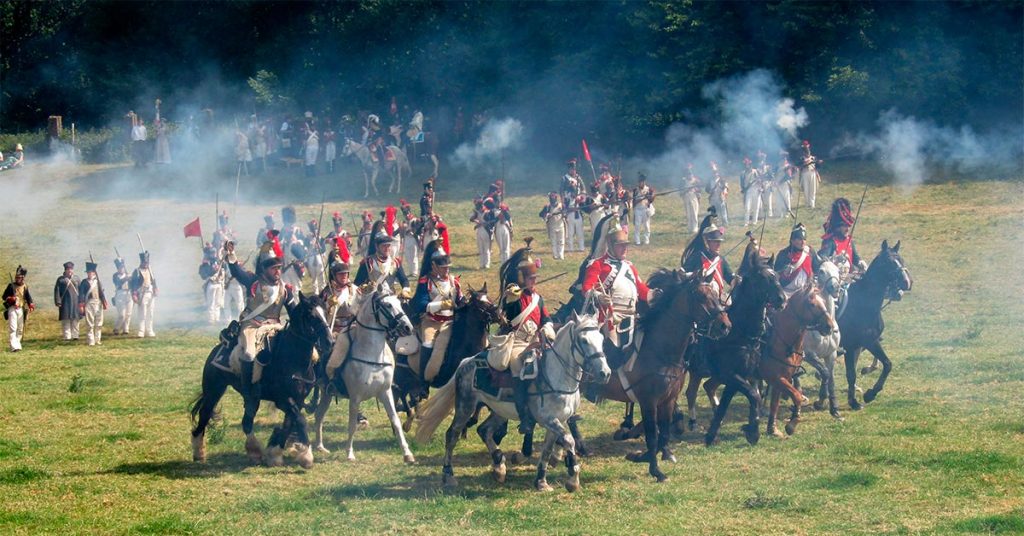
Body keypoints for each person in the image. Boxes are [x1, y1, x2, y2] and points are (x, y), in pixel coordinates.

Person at [223, 233, 297, 398]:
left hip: (275, 326)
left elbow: (294, 313)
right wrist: (231, 254)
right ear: (264, 269)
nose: (277, 271)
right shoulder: (253, 281)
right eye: (273, 268)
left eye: (278, 268)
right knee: (249, 354)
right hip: (252, 325)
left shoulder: (286, 289)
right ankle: (248, 390)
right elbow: (237, 271)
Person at [498, 240, 556, 433]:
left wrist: (547, 327)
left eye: (534, 278)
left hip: (535, 341)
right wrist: (512, 296)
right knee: (517, 364)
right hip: (517, 342)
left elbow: (546, 318)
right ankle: (524, 415)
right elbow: (507, 314)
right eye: (530, 278)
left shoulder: (538, 298)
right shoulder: (513, 296)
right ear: (521, 278)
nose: (534, 281)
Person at [582, 229, 655, 367]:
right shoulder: (597, 264)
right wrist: (599, 296)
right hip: (609, 317)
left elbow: (641, 289)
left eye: (626, 245)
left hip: (632, 316)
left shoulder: (629, 266)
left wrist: (655, 295)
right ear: (610, 246)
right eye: (621, 245)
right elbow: (587, 288)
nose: (625, 248)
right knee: (612, 351)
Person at [410, 240, 463, 383]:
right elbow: (421, 304)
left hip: (450, 321)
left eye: (448, 267)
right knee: (427, 343)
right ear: (434, 266)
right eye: (443, 268)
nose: (446, 270)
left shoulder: (454, 282)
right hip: (431, 321)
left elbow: (461, 300)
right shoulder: (426, 281)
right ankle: (423, 380)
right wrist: (441, 305)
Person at [681, 210, 736, 301]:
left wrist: (736, 281)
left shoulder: (720, 260)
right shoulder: (696, 257)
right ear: (707, 242)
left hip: (717, 301)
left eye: (719, 242)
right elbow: (680, 274)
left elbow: (730, 278)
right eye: (715, 242)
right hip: (700, 302)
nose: (718, 245)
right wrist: (695, 274)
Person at [354, 223, 411, 293]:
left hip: (390, 294)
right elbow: (357, 283)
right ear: (377, 247)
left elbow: (404, 280)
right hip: (373, 296)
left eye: (388, 245)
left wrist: (405, 290)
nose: (387, 248)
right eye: (384, 246)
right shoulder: (368, 262)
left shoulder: (395, 262)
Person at [774, 223, 822, 299]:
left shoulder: (810, 251)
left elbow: (818, 268)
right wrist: (784, 271)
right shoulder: (783, 254)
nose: (803, 242)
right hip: (786, 292)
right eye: (799, 239)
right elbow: (776, 274)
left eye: (804, 239)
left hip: (805, 291)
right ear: (792, 240)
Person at [820, 197, 866, 274]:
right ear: (837, 228)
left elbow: (855, 257)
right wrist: (834, 259)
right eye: (844, 226)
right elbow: (822, 258)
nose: (847, 229)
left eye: (848, 226)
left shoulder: (849, 241)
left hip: (850, 276)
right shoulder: (830, 241)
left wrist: (860, 262)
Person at [3, 266, 34, 351]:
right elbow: (4, 296)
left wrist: (30, 304)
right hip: (12, 308)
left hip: (20, 308)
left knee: (20, 329)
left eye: (19, 277)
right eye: (16, 277)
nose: (17, 279)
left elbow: (28, 297)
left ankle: (17, 345)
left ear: (22, 278)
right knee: (13, 328)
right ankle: (13, 347)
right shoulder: (11, 286)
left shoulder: (25, 286)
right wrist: (10, 298)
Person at [78, 261, 108, 346]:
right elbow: (81, 294)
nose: (89, 273)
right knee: (90, 323)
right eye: (88, 272)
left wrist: (104, 302)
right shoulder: (84, 282)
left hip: (98, 303)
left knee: (99, 323)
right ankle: (91, 340)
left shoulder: (98, 282)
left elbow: (101, 293)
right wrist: (81, 305)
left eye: (91, 272)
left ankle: (97, 339)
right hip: (89, 303)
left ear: (94, 273)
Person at [130, 251, 158, 338]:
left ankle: (150, 330)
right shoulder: (137, 271)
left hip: (150, 293)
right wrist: (134, 294)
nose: (146, 264)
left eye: (147, 262)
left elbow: (153, 281)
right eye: (145, 262)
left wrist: (156, 288)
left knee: (150, 313)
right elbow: (134, 284)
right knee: (142, 313)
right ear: (141, 262)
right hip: (142, 293)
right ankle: (141, 331)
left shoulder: (150, 270)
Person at [54, 261, 81, 341]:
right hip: (65, 302)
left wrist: (81, 302)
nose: (69, 271)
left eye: (71, 269)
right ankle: (67, 337)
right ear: (65, 270)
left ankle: (75, 336)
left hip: (75, 301)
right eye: (68, 269)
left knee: (75, 319)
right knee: (66, 320)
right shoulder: (60, 279)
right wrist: (58, 301)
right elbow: (57, 291)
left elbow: (80, 290)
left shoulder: (76, 278)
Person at [199, 244, 225, 324]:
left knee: (217, 303)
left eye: (214, 252)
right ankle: (212, 319)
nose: (214, 254)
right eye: (213, 253)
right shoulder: (207, 263)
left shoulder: (217, 261)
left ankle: (216, 318)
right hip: (212, 283)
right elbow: (204, 275)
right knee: (212, 303)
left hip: (217, 283)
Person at [539, 192, 566, 260]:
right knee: (553, 241)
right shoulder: (547, 207)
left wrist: (564, 214)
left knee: (561, 241)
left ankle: (561, 255)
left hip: (560, 225)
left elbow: (565, 213)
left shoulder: (561, 205)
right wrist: (547, 215)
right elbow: (541, 214)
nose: (552, 199)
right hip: (552, 225)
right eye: (551, 197)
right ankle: (555, 255)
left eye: (553, 197)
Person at [470, 197, 493, 269]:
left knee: (486, 249)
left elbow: (490, 222)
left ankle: (487, 264)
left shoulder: (488, 212)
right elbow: (471, 219)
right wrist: (477, 221)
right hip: (479, 231)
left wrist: (480, 224)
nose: (480, 208)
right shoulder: (477, 212)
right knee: (481, 248)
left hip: (486, 231)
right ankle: (482, 264)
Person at [112, 255, 133, 335]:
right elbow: (118, 283)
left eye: (122, 267)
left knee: (128, 313)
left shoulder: (128, 274)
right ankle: (116, 328)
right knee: (122, 315)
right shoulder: (115, 276)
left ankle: (126, 329)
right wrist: (126, 278)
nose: (121, 269)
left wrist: (131, 278)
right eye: (120, 268)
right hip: (120, 294)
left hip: (129, 294)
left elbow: (133, 284)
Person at [632, 173, 655, 245]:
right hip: (638, 209)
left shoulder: (648, 189)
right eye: (639, 182)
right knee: (637, 226)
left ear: (644, 182)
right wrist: (643, 197)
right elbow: (634, 201)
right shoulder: (635, 190)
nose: (640, 183)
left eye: (642, 182)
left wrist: (651, 197)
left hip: (645, 209)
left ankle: (646, 240)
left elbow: (651, 199)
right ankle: (637, 240)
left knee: (646, 225)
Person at [741, 157, 764, 227]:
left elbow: (761, 181)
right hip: (748, 191)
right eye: (746, 165)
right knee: (747, 207)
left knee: (756, 207)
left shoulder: (756, 172)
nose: (747, 166)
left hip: (756, 190)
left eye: (748, 164)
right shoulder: (743, 173)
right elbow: (742, 183)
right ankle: (746, 222)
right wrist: (744, 189)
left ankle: (754, 221)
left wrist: (761, 187)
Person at [681, 163, 702, 234]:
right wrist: (686, 191)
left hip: (694, 198)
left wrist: (695, 190)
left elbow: (700, 190)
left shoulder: (696, 181)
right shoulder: (683, 182)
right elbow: (681, 192)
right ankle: (690, 228)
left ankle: (695, 228)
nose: (689, 176)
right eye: (688, 174)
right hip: (686, 198)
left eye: (690, 174)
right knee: (688, 214)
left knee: (694, 213)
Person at [707, 162, 729, 226]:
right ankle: (715, 223)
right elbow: (707, 189)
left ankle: (725, 223)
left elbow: (725, 187)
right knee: (714, 212)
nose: (715, 174)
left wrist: (724, 191)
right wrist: (710, 191)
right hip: (713, 198)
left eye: (716, 172)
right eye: (714, 173)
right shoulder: (710, 181)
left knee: (723, 211)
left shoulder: (721, 180)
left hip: (720, 197)